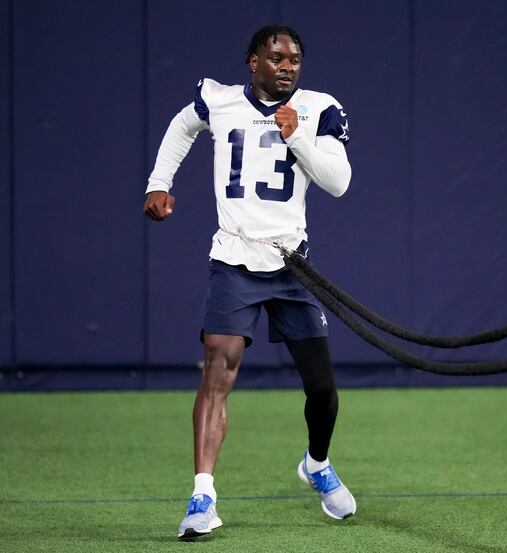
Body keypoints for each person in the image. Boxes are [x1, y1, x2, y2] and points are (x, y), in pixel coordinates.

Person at [143, 25, 356, 540]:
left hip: (290, 264)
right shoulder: (219, 99)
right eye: (277, 58)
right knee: (218, 367)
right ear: (253, 62)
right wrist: (159, 181)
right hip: (234, 257)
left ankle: (317, 463)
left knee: (322, 390)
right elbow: (181, 125)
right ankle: (202, 494)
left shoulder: (318, 108)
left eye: (295, 60)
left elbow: (339, 182)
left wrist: (296, 135)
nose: (287, 67)